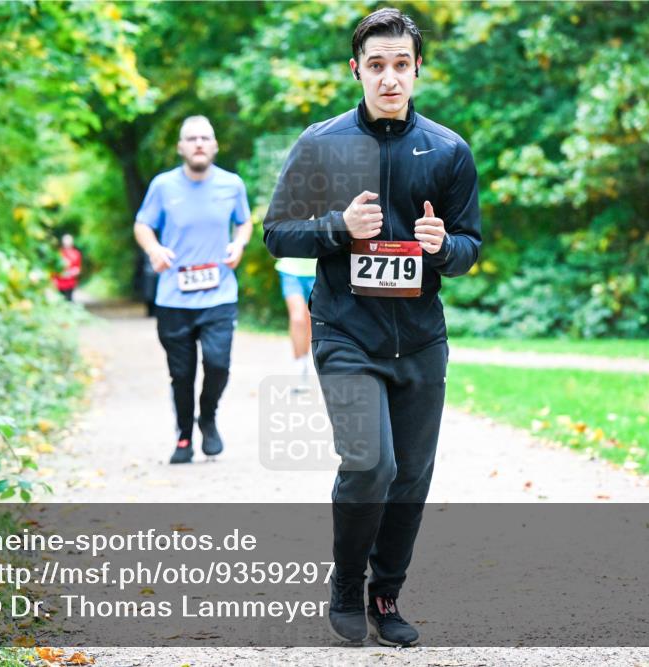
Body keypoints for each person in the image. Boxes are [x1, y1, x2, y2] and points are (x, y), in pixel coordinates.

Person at [263, 8, 481, 647]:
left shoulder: (448, 150)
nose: (390, 78)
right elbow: (277, 233)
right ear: (356, 69)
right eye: (377, 65)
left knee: (411, 475)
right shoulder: (322, 143)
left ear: (417, 71)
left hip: (419, 338)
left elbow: (470, 248)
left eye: (402, 65)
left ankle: (386, 594)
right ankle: (345, 581)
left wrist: (443, 247)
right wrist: (337, 229)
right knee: (370, 463)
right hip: (346, 331)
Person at [133, 115, 252, 464]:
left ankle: (208, 417)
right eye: (192, 138)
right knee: (181, 374)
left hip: (219, 294)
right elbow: (142, 224)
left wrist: (239, 244)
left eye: (205, 137)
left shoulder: (232, 184)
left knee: (217, 365)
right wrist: (154, 249)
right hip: (173, 297)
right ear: (181, 147)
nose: (199, 143)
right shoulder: (163, 186)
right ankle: (184, 435)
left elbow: (244, 221)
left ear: (215, 146)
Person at [276, 256, 317, 389]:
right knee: (298, 318)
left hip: (317, 269)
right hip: (290, 269)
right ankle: (299, 366)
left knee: (312, 319)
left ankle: (308, 362)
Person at [53, 234, 82, 301]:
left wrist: (73, 272)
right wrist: (54, 279)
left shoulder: (76, 254)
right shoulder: (58, 253)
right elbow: (54, 269)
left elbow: (78, 268)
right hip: (59, 283)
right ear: (63, 242)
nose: (67, 243)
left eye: (69, 241)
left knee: (69, 301)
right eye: (66, 241)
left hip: (70, 283)